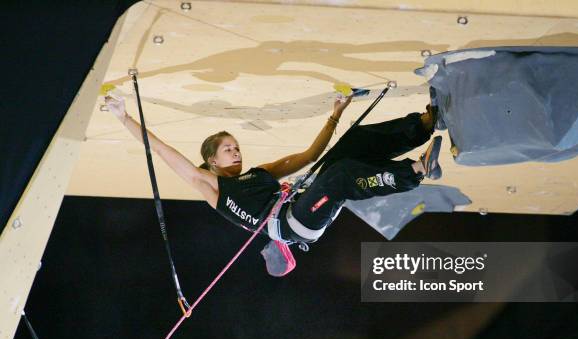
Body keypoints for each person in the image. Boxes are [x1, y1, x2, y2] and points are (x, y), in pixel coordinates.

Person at [104, 93, 441, 244]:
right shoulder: (212, 188)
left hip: (301, 204)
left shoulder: (259, 174)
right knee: (340, 177)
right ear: (212, 162)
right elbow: (162, 151)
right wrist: (124, 117)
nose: (236, 152)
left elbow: (310, 155)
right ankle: (414, 171)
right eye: (228, 150)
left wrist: (336, 114)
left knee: (348, 148)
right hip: (296, 224)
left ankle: (423, 125)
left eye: (236, 147)